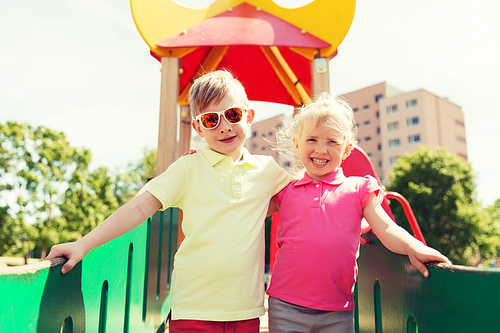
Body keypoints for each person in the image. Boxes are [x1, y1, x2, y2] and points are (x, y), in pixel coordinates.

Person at [45, 70, 293, 333]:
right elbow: (140, 206)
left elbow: (302, 197)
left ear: (248, 115)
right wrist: (83, 244)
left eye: (232, 115)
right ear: (198, 127)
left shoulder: (267, 171)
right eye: (211, 120)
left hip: (245, 311)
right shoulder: (189, 167)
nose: (224, 126)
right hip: (192, 310)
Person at [265, 93, 450, 333]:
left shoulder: (358, 189)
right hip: (286, 307)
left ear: (347, 149)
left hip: (338, 311)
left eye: (332, 142)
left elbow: (386, 227)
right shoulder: (286, 191)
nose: (321, 149)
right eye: (312, 139)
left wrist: (412, 246)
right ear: (297, 143)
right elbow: (244, 212)